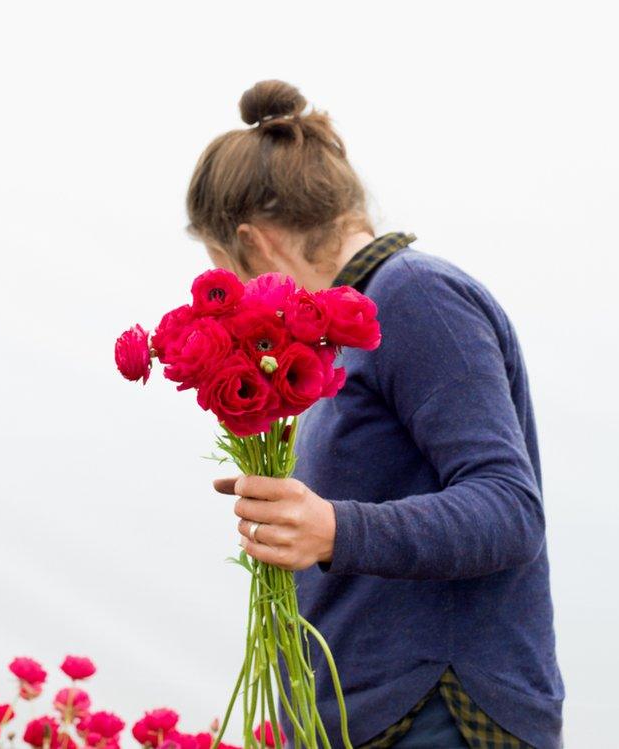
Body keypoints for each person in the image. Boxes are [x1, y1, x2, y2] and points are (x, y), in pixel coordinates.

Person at [188, 80, 564, 749]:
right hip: (381, 716)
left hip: (444, 713)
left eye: (224, 269)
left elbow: (509, 507)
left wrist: (334, 525)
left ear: (255, 244)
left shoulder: (415, 297)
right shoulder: (350, 327)